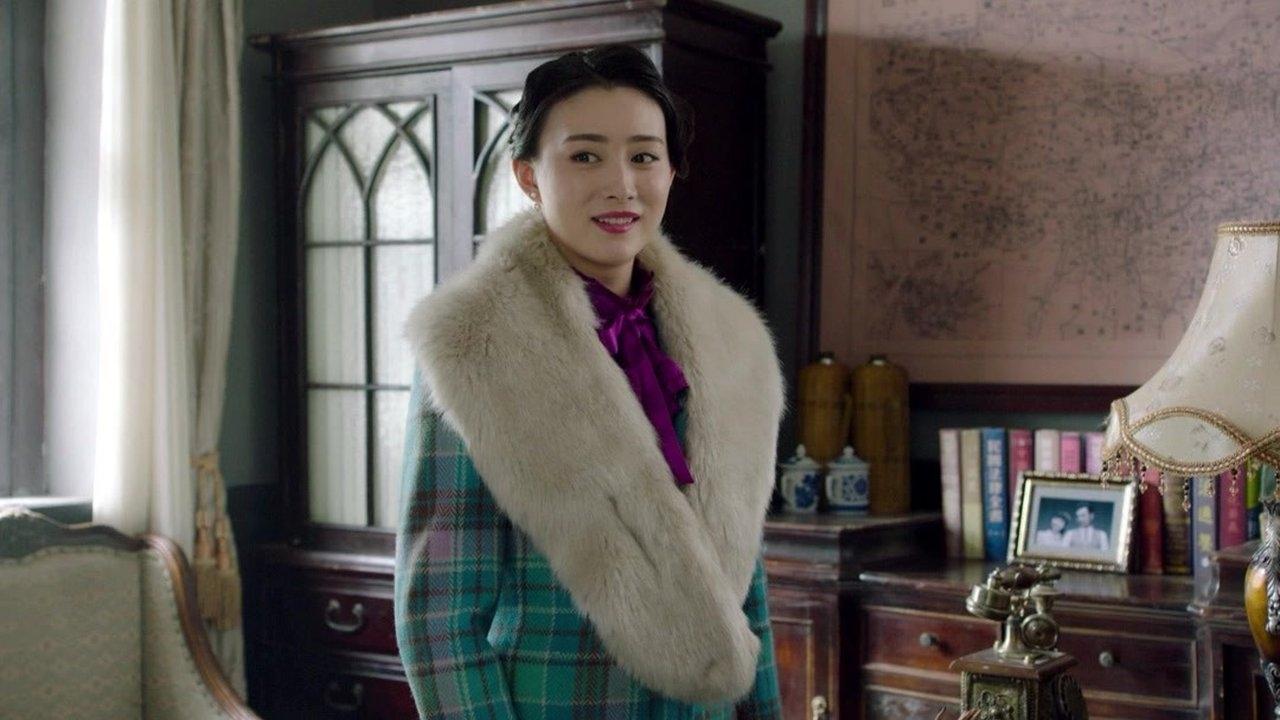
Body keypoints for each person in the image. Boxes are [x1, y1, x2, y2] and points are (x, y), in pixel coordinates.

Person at [393, 45, 785, 719]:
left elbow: (742, 582)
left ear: (671, 171)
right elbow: (439, 618)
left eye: (644, 156)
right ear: (528, 175)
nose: (621, 185)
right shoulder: (473, 345)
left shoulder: (731, 339)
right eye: (584, 156)